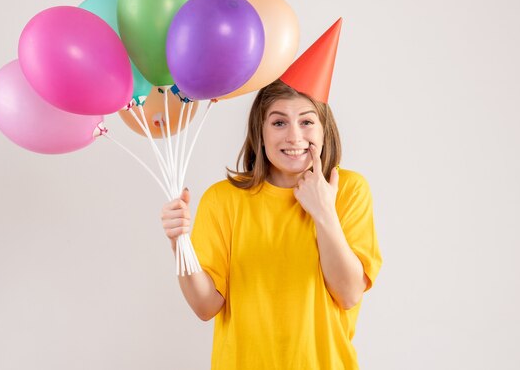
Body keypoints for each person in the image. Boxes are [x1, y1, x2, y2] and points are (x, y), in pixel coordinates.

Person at [161, 19, 382, 369]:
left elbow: (349, 292)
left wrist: (323, 211)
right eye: (279, 122)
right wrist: (179, 244)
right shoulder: (224, 199)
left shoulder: (349, 190)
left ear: (325, 131)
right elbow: (206, 307)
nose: (294, 136)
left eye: (307, 121)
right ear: (260, 134)